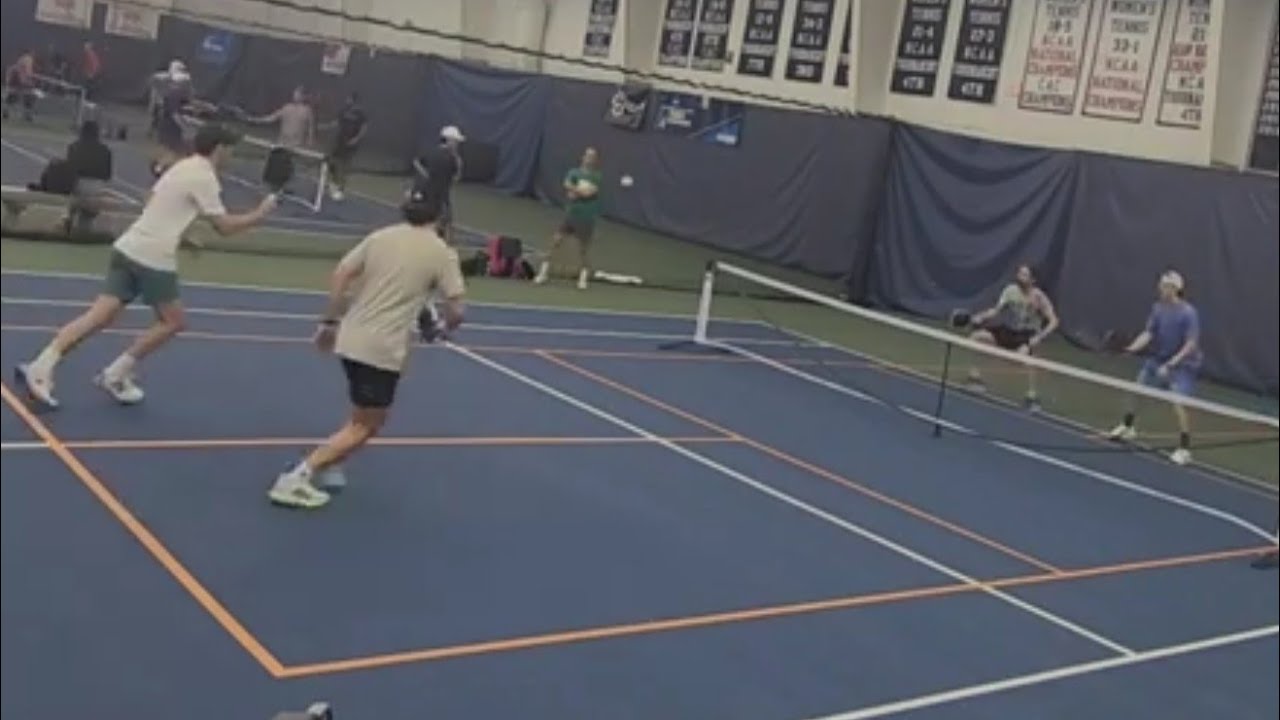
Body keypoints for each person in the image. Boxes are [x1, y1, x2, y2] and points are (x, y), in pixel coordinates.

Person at [14, 124, 277, 410]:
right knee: (173, 322)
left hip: (129, 247)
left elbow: (153, 201)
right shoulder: (204, 177)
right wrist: (260, 214)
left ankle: (42, 365)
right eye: (231, 150)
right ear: (219, 149)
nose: (232, 156)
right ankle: (116, 373)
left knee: (98, 317)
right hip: (153, 257)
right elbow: (224, 227)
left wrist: (182, 233)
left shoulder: (183, 166)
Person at [267, 191, 466, 509]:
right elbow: (457, 311)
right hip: (382, 348)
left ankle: (330, 465)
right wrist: (442, 328)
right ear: (440, 218)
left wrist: (329, 321)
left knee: (362, 414)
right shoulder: (442, 252)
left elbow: (341, 273)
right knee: (368, 425)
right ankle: (298, 476)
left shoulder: (380, 237)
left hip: (350, 337)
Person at [1107, 270, 1202, 466]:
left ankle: (1184, 449)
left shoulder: (1188, 313)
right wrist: (1132, 348)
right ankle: (1128, 427)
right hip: (1158, 360)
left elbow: (1190, 344)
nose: (1160, 288)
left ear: (1175, 289)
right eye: (1161, 285)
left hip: (1183, 365)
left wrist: (1171, 365)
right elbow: (1149, 333)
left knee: (1179, 404)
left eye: (1165, 286)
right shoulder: (1158, 308)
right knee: (1137, 389)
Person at [963, 264, 1059, 409]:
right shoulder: (1010, 290)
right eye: (1019, 274)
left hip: (1027, 335)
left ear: (1032, 280)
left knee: (1027, 360)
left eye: (1024, 275)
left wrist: (1040, 337)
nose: (1020, 277)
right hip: (1008, 331)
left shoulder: (1039, 297)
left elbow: (1054, 321)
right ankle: (975, 379)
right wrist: (980, 317)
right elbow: (995, 311)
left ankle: (1032, 397)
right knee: (976, 338)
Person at [535, 147, 602, 290]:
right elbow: (567, 185)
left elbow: (588, 194)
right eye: (587, 155)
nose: (589, 158)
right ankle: (543, 273)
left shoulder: (597, 176)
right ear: (583, 157)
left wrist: (575, 190)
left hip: (586, 218)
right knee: (555, 242)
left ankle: (582, 280)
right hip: (570, 216)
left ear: (595, 160)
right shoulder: (574, 172)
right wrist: (578, 191)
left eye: (592, 157)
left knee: (583, 250)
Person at [411, 125, 464, 243]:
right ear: (449, 140)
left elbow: (416, 162)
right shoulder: (452, 158)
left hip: (424, 194)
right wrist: (459, 162)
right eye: (455, 141)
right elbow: (456, 177)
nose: (457, 144)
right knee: (445, 223)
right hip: (440, 197)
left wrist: (425, 175)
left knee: (424, 222)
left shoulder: (431, 151)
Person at [63, 120, 114, 233]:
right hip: (96, 185)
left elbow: (69, 169)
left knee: (73, 195)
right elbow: (107, 175)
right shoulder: (105, 150)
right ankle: (84, 229)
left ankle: (68, 218)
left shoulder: (74, 146)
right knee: (88, 212)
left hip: (77, 183)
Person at [149, 60, 196, 177]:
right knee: (174, 151)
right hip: (170, 125)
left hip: (169, 123)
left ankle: (161, 167)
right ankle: (160, 168)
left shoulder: (174, 93)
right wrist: (184, 126)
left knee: (174, 150)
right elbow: (175, 114)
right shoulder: (175, 95)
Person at [324, 92, 368, 201]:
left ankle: (340, 189)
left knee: (344, 166)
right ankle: (333, 183)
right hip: (340, 141)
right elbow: (337, 122)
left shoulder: (360, 113)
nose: (346, 100)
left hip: (350, 144)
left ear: (353, 100)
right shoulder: (343, 110)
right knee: (331, 162)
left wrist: (356, 139)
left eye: (348, 99)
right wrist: (326, 126)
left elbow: (364, 128)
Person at [254, 86, 315, 150]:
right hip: (282, 141)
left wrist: (310, 139)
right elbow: (272, 117)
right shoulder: (287, 107)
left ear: (304, 97)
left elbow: (311, 127)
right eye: (295, 94)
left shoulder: (307, 110)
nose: (295, 96)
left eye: (298, 94)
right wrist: (258, 120)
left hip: (296, 144)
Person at [3, 50, 37, 122]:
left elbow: (25, 71)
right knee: (27, 97)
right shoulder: (28, 59)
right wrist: (29, 80)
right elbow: (26, 72)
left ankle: (6, 112)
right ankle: (27, 115)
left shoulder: (22, 59)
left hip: (18, 81)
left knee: (13, 97)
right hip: (21, 81)